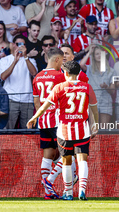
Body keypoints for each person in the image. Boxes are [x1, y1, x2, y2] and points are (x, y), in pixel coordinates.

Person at [27, 60, 99, 200]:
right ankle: (82, 191)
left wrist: (34, 117)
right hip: (82, 129)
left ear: (65, 73)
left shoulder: (59, 87)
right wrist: (95, 124)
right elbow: (95, 109)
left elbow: (44, 106)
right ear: (79, 73)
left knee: (67, 161)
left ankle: (69, 193)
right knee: (82, 160)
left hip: (65, 131)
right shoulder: (87, 87)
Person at [30, 47, 67, 199]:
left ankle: (48, 193)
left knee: (47, 155)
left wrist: (41, 117)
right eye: (62, 60)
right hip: (58, 120)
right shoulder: (60, 76)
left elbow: (36, 103)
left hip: (43, 121)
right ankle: (49, 182)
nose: (62, 64)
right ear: (57, 59)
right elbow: (65, 99)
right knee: (67, 154)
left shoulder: (37, 77)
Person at [0, 35, 37, 129]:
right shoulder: (4, 60)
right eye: (18, 44)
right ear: (12, 45)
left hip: (27, 100)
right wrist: (15, 61)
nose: (20, 46)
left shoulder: (31, 60)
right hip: (10, 99)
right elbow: (3, 77)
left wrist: (25, 57)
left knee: (28, 130)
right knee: (8, 129)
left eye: (23, 44)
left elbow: (34, 73)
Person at [80, 45, 116, 125]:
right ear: (94, 56)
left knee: (104, 129)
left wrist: (106, 87)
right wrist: (89, 52)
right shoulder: (89, 68)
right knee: (93, 129)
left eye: (101, 54)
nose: (99, 56)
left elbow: (113, 91)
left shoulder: (111, 71)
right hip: (92, 102)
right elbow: (81, 65)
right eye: (97, 54)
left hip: (106, 102)